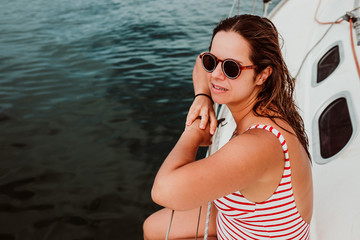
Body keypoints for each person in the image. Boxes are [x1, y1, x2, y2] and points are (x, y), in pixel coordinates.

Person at [143, 14, 313, 240]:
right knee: (153, 227)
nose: (215, 74)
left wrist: (193, 132)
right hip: (244, 223)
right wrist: (203, 97)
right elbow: (199, 61)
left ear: (263, 74)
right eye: (212, 62)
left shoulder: (259, 145)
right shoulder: (267, 109)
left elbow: (164, 191)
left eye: (232, 68)